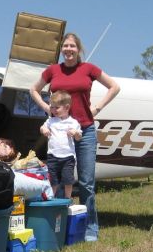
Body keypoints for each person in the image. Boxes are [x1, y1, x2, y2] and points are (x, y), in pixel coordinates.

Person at [30, 32, 120, 241]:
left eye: (72, 46)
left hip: (85, 130)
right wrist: (46, 108)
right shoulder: (53, 70)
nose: (68, 49)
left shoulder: (89, 69)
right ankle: (60, 227)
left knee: (86, 182)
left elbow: (114, 87)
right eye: (65, 46)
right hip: (60, 135)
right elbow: (33, 89)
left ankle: (90, 228)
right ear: (61, 50)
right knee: (60, 181)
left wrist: (96, 108)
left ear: (78, 49)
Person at [40, 90, 81, 199]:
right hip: (53, 155)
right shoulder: (51, 121)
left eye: (56, 107)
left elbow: (79, 137)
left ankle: (68, 198)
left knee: (68, 180)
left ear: (67, 107)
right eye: (52, 107)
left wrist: (75, 133)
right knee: (53, 180)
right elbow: (42, 127)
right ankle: (51, 198)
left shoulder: (73, 122)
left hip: (68, 157)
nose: (53, 110)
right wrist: (44, 130)